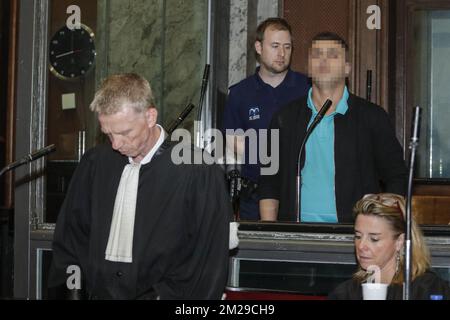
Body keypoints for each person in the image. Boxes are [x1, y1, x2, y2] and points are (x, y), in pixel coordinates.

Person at [48, 73, 230, 299]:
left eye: (125, 133)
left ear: (150, 116)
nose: (116, 144)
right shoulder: (95, 164)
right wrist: (73, 292)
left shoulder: (197, 170)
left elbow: (207, 259)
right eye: (108, 134)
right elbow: (71, 241)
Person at [259, 32, 408, 222]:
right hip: (294, 233)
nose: (323, 60)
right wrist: (270, 235)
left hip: (354, 233)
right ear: (309, 68)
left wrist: (381, 223)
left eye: (332, 55)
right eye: (317, 55)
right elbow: (269, 180)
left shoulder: (372, 117)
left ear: (347, 68)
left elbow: (397, 177)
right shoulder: (284, 117)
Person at [223, 17, 309, 221]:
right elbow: (232, 141)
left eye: (287, 47)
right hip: (253, 195)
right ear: (259, 47)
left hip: (299, 194)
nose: (282, 54)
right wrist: (275, 152)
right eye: (275, 46)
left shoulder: (307, 88)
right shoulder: (239, 93)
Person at [329, 193, 450, 300]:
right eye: (358, 236)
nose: (361, 246)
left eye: (374, 239)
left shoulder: (426, 289)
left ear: (400, 241)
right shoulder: (347, 293)